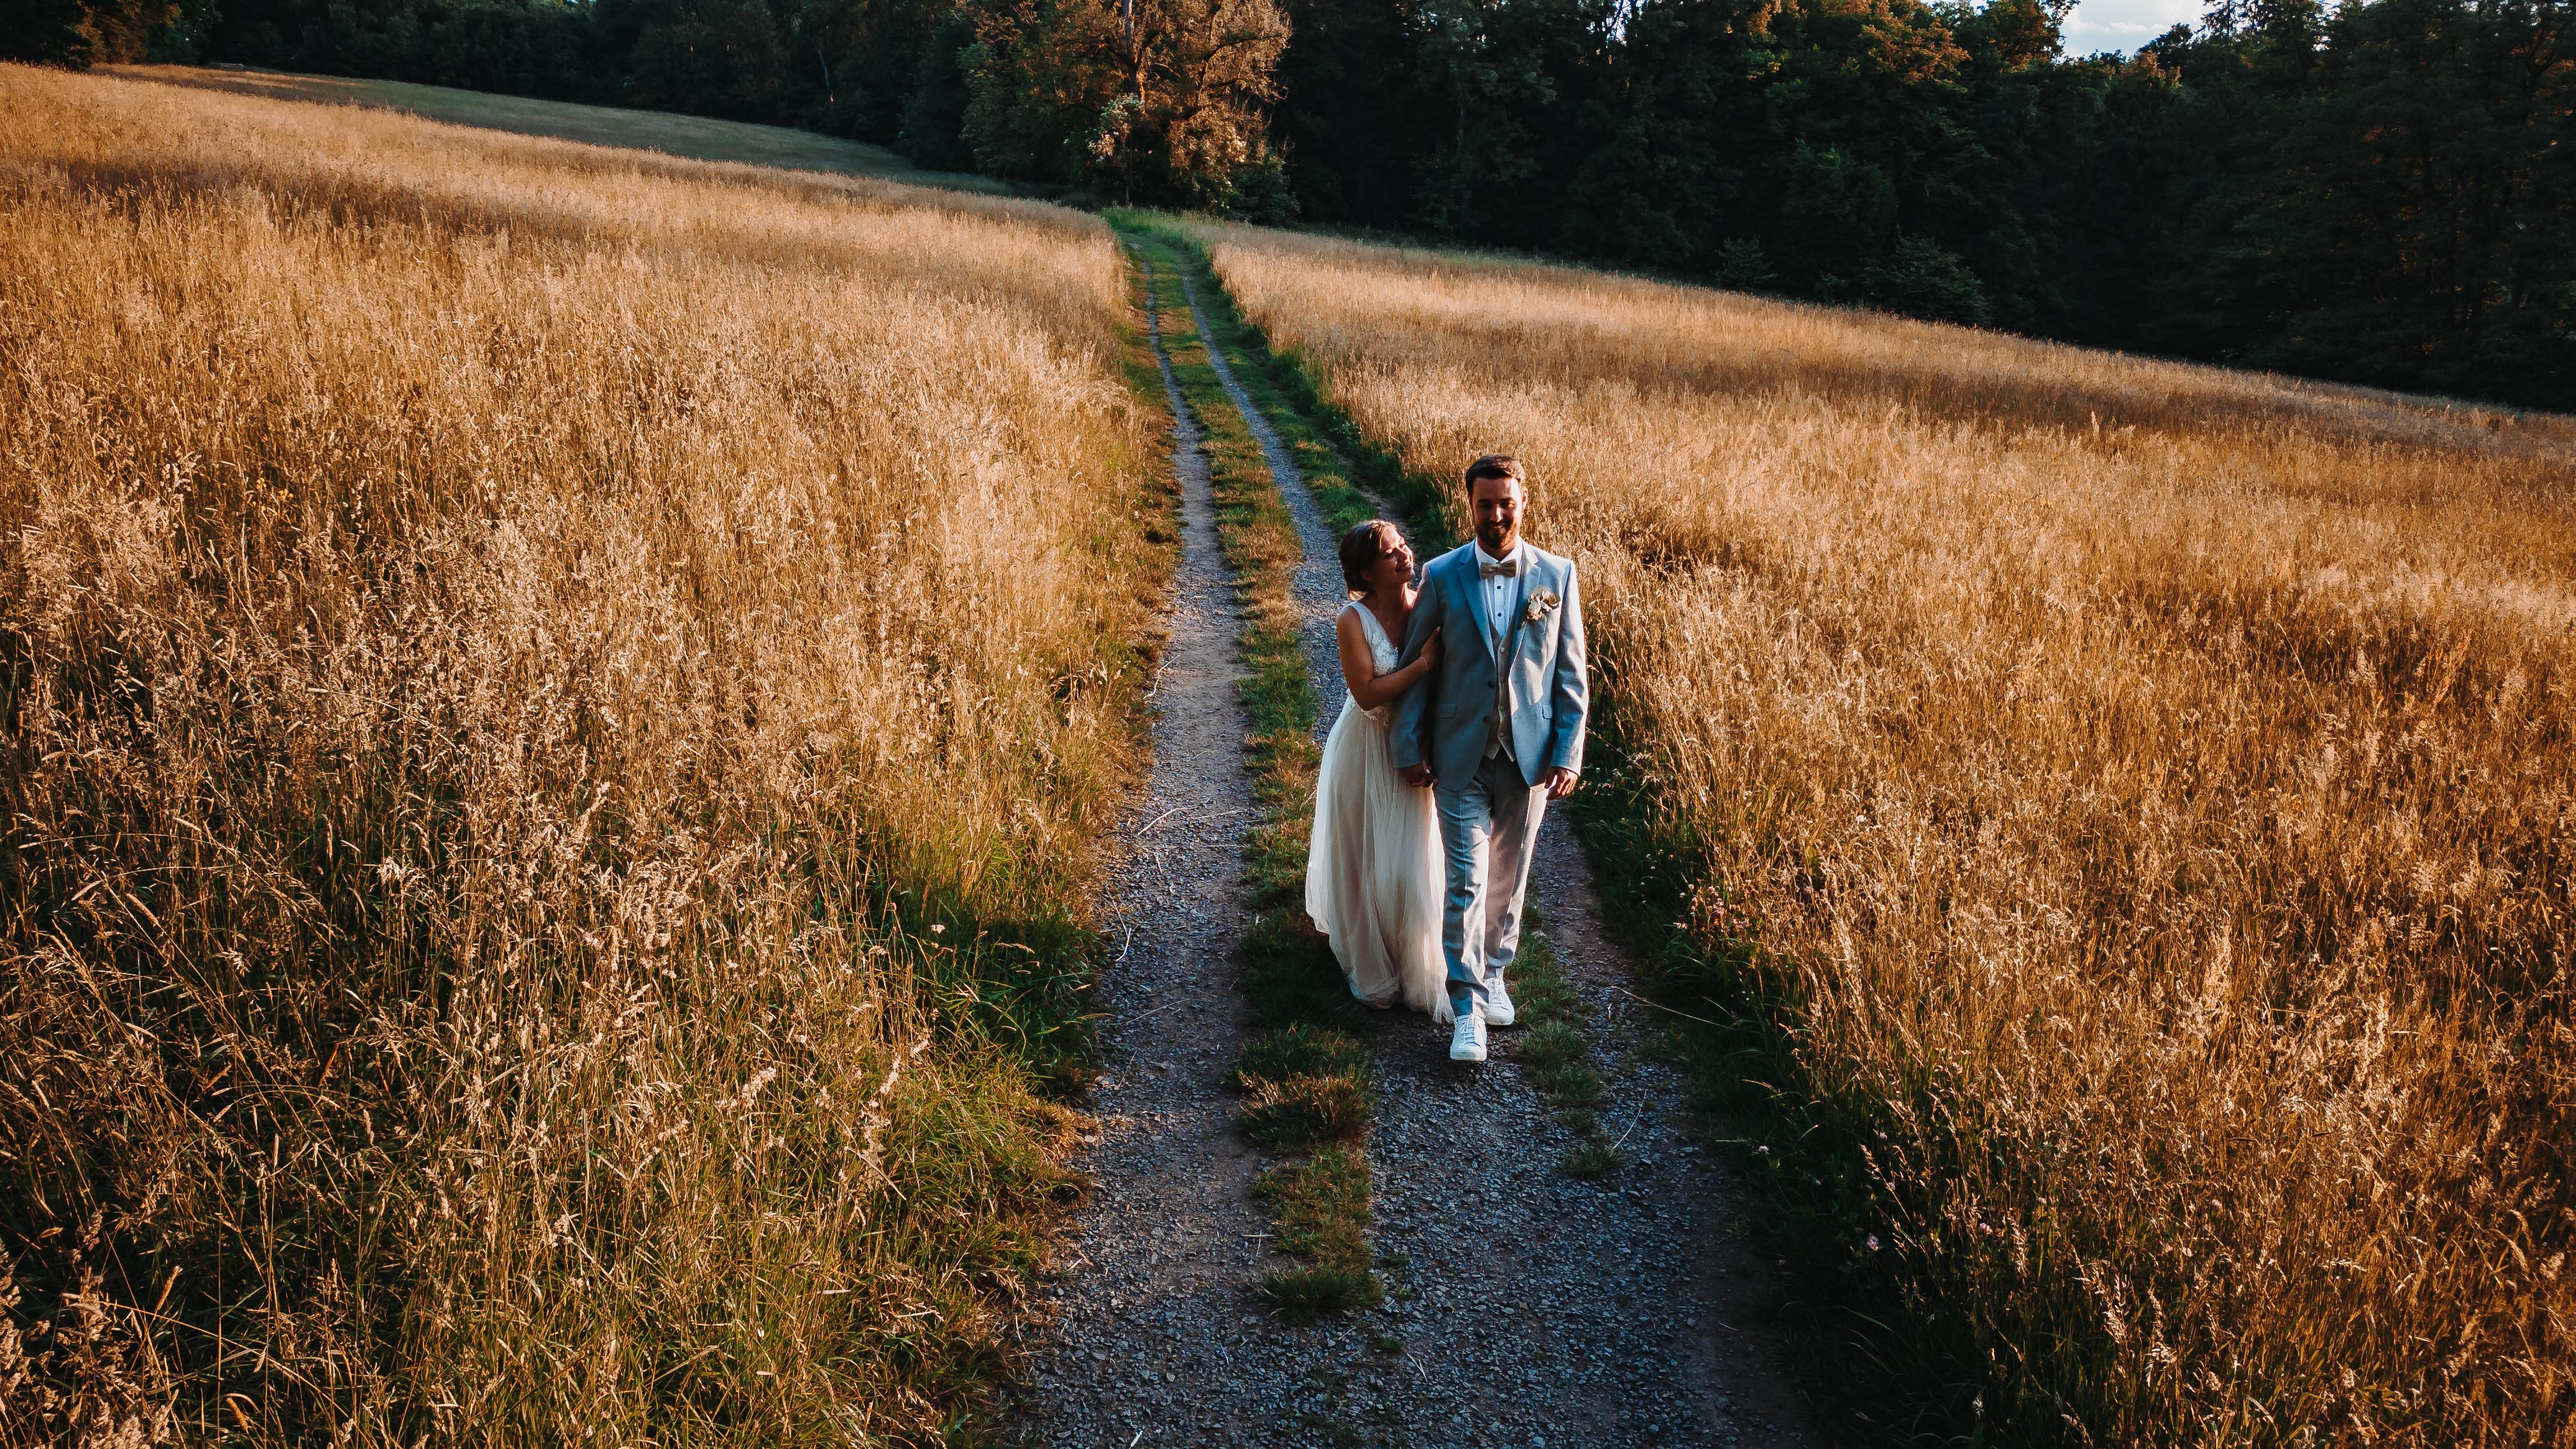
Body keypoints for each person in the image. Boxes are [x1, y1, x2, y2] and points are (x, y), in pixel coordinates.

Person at [1390, 455, 1588, 1063]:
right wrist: (1409, 746)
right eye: (1485, 503)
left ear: (1523, 501)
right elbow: (1415, 669)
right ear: (1468, 505)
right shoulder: (1443, 576)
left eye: (1506, 502)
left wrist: (1568, 754)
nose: (1496, 514)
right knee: (1467, 881)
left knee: (1511, 876)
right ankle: (1468, 1009)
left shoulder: (1558, 575)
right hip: (1459, 755)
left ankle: (1496, 970)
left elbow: (1571, 677)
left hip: (1527, 758)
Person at [1307, 520, 1452, 1020]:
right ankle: (1372, 961)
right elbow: (1366, 692)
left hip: (1413, 746)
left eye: (1404, 546)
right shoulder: (1353, 619)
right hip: (1364, 745)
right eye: (1390, 554)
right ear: (1368, 571)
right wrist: (1421, 666)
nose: (1404, 556)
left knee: (1408, 861)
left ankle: (1416, 960)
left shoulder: (1425, 605)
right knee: (1365, 855)